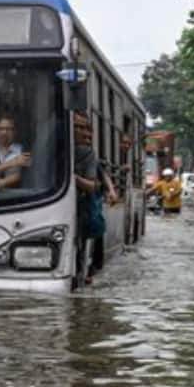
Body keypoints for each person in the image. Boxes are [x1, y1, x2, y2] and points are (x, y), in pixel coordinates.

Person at [73, 110, 118, 285]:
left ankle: (91, 269)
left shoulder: (89, 153)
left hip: (90, 198)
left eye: (85, 130)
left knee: (96, 226)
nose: (83, 134)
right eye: (77, 128)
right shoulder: (59, 146)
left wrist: (111, 190)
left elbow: (102, 174)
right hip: (76, 199)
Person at [0, 114, 31, 190]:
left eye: (8, 129)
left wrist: (3, 182)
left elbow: (22, 174)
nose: (4, 132)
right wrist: (13, 162)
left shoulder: (22, 149)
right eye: (0, 128)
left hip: (16, 198)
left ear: (14, 131)